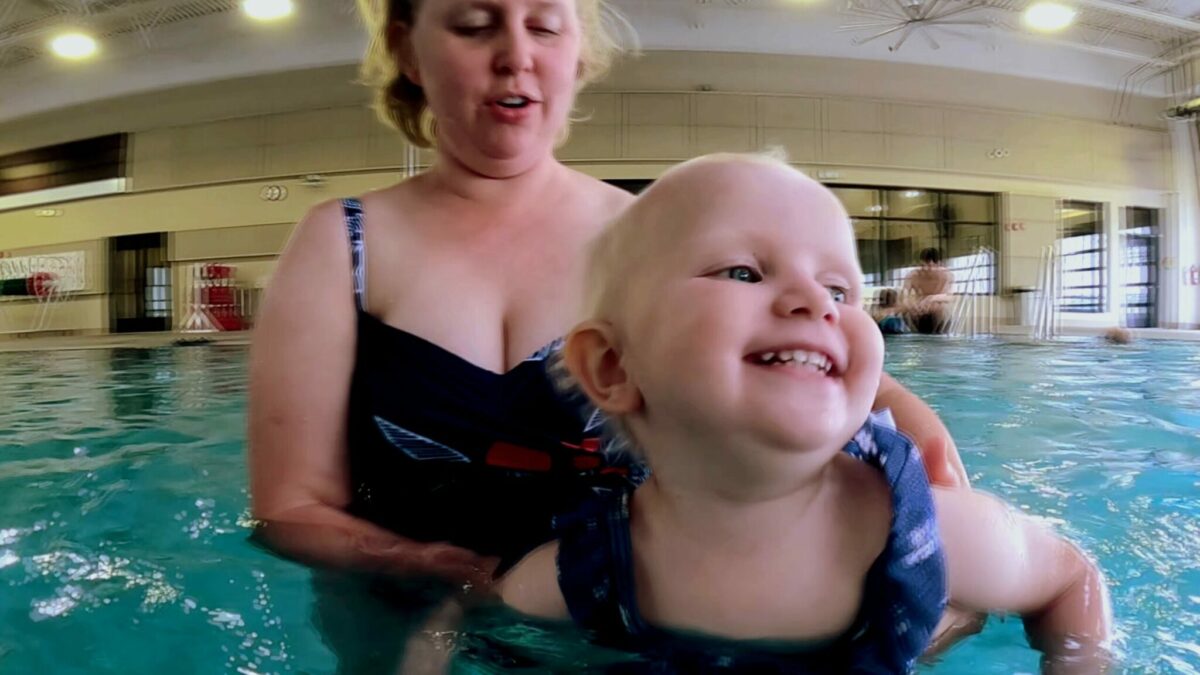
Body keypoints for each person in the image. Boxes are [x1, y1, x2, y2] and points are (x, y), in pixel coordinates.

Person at [248, 0, 968, 624]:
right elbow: (293, 507)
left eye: (545, 28)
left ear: (579, 55)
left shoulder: (653, 232)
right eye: (474, 25)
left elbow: (791, 339)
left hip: (617, 604)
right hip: (394, 604)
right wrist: (430, 566)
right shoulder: (340, 244)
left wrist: (905, 411)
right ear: (407, 47)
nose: (516, 57)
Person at [499, 154, 1112, 673]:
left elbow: (1068, 578)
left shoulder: (933, 536)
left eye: (840, 290)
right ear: (612, 368)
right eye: (743, 272)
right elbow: (484, 618)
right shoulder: (588, 570)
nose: (816, 301)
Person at [903, 247, 954, 334]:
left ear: (938, 264)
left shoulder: (946, 275)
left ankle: (939, 336)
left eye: (930, 266)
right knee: (906, 312)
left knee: (941, 310)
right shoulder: (913, 275)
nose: (926, 269)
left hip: (938, 311)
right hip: (919, 311)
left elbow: (949, 297)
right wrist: (911, 305)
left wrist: (931, 298)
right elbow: (904, 296)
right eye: (923, 265)